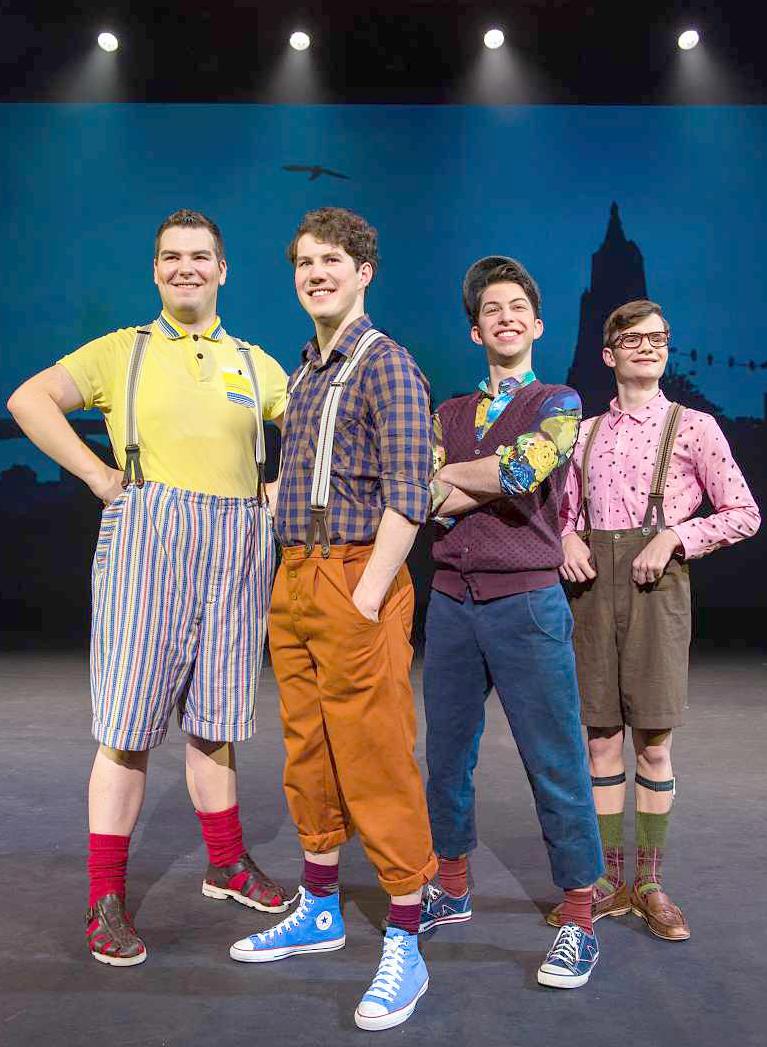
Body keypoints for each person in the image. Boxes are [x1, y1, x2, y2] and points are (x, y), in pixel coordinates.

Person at [7, 209, 289, 967]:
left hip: (236, 545)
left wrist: (277, 489)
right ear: (156, 269)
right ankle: (105, 896)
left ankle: (226, 864)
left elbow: (319, 432)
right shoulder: (121, 351)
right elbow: (28, 400)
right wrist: (100, 477)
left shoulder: (256, 363)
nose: (185, 267)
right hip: (150, 536)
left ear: (223, 269)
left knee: (216, 720)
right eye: (171, 257)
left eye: (199, 256)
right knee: (127, 728)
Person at [228, 207, 436, 1031]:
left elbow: (409, 493)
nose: (315, 273)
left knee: (375, 752)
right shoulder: (307, 372)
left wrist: (366, 593)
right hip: (297, 576)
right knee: (308, 748)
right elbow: (314, 475)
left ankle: (406, 937)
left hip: (354, 575)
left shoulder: (388, 365)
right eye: (304, 262)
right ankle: (318, 905)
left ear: (363, 272)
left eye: (331, 261)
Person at [420, 255, 604, 990]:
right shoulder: (447, 414)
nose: (504, 317)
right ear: (475, 330)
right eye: (490, 309)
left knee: (554, 759)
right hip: (450, 603)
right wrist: (484, 474)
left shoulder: (559, 401)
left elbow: (524, 472)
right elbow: (426, 501)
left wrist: (457, 476)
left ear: (537, 324)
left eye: (516, 307)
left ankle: (580, 916)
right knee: (446, 757)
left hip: (527, 603)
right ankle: (452, 885)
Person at [552, 298, 760, 940]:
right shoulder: (583, 434)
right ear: (608, 353)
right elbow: (562, 513)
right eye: (633, 338)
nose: (647, 346)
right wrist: (566, 538)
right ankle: (608, 879)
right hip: (593, 593)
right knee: (599, 740)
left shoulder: (694, 427)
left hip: (656, 589)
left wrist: (674, 537)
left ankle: (649, 881)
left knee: (654, 741)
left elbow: (744, 513)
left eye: (658, 338)